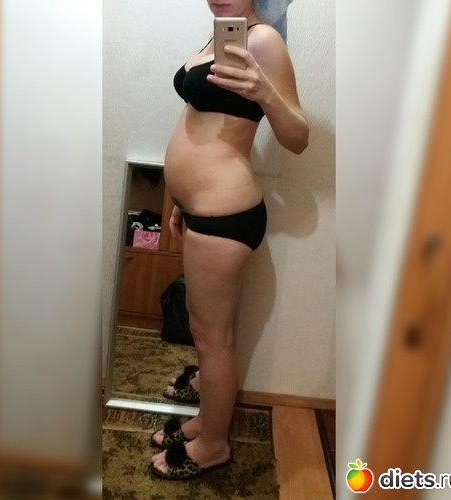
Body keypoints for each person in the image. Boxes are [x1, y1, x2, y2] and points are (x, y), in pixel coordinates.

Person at [150, 0, 308, 479]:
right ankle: (206, 421)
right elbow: (204, 125)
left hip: (225, 214)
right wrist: (180, 197)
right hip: (201, 208)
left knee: (212, 339)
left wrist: (265, 92)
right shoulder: (219, 34)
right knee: (206, 331)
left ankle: (214, 445)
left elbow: (298, 137)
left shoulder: (263, 40)